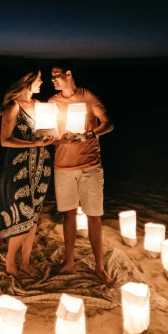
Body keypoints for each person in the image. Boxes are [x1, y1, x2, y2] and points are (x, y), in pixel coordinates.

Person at [0, 67, 55, 278]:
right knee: (23, 213)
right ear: (27, 81)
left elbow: (46, 133)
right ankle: (10, 263)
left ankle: (26, 263)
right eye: (38, 79)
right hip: (20, 166)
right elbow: (5, 140)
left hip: (41, 164)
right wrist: (34, 143)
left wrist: (49, 138)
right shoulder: (14, 106)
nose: (41, 83)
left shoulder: (40, 105)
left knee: (34, 216)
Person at [49, 61, 115, 288]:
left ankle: (99, 266)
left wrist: (88, 135)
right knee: (68, 215)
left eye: (56, 75)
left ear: (69, 74)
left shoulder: (88, 97)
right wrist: (59, 138)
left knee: (94, 217)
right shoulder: (52, 102)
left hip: (90, 166)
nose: (53, 79)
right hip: (63, 167)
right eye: (51, 77)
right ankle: (69, 261)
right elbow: (49, 135)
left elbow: (108, 124)